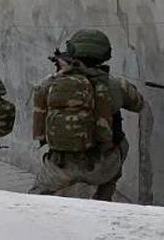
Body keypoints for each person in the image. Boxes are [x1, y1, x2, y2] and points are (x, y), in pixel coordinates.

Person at [29, 28, 145, 202]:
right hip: (101, 167)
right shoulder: (116, 85)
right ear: (105, 55)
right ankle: (104, 198)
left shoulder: (51, 84)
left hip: (60, 169)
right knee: (121, 144)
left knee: (35, 203)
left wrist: (60, 73)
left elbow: (38, 99)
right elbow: (138, 104)